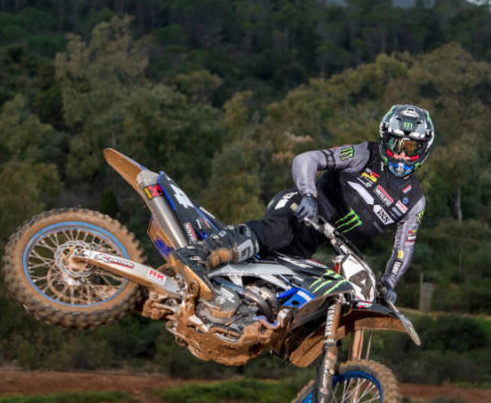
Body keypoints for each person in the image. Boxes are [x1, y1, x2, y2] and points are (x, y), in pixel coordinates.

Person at [173, 104, 435, 303]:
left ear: (423, 150)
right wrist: (309, 195)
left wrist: (388, 283)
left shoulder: (414, 202)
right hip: (300, 208)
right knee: (278, 230)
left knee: (292, 292)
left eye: (411, 148)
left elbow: (403, 250)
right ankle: (198, 254)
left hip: (314, 241)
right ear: (384, 140)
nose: (402, 154)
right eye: (396, 144)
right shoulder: (363, 154)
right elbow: (306, 159)